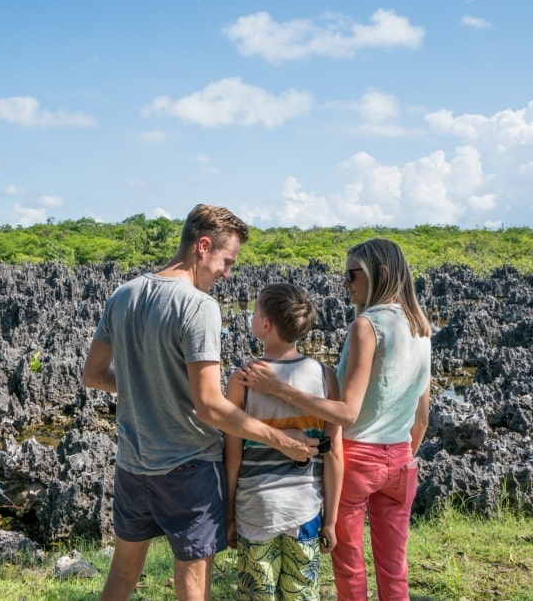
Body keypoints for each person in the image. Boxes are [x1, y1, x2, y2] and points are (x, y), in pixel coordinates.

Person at [82, 204, 318, 601]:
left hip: (132, 466)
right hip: (188, 468)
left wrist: (147, 385)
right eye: (226, 261)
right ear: (203, 246)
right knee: (192, 587)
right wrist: (281, 441)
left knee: (121, 576)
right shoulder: (199, 306)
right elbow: (210, 407)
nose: (227, 273)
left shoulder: (123, 295)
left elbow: (93, 375)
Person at [240, 238, 431, 601]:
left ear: (381, 274)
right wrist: (400, 456)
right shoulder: (421, 328)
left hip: (359, 457)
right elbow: (421, 416)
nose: (345, 284)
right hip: (402, 459)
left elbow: (347, 413)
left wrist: (281, 389)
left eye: (352, 274)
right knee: (395, 569)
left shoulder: (366, 326)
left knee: (349, 565)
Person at [225, 283, 343, 601]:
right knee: (301, 593)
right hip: (305, 508)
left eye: (255, 310)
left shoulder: (242, 379)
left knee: (257, 594)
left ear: (266, 325)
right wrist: (330, 520)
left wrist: (229, 514)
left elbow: (232, 456)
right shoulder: (324, 377)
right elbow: (334, 457)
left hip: (255, 510)